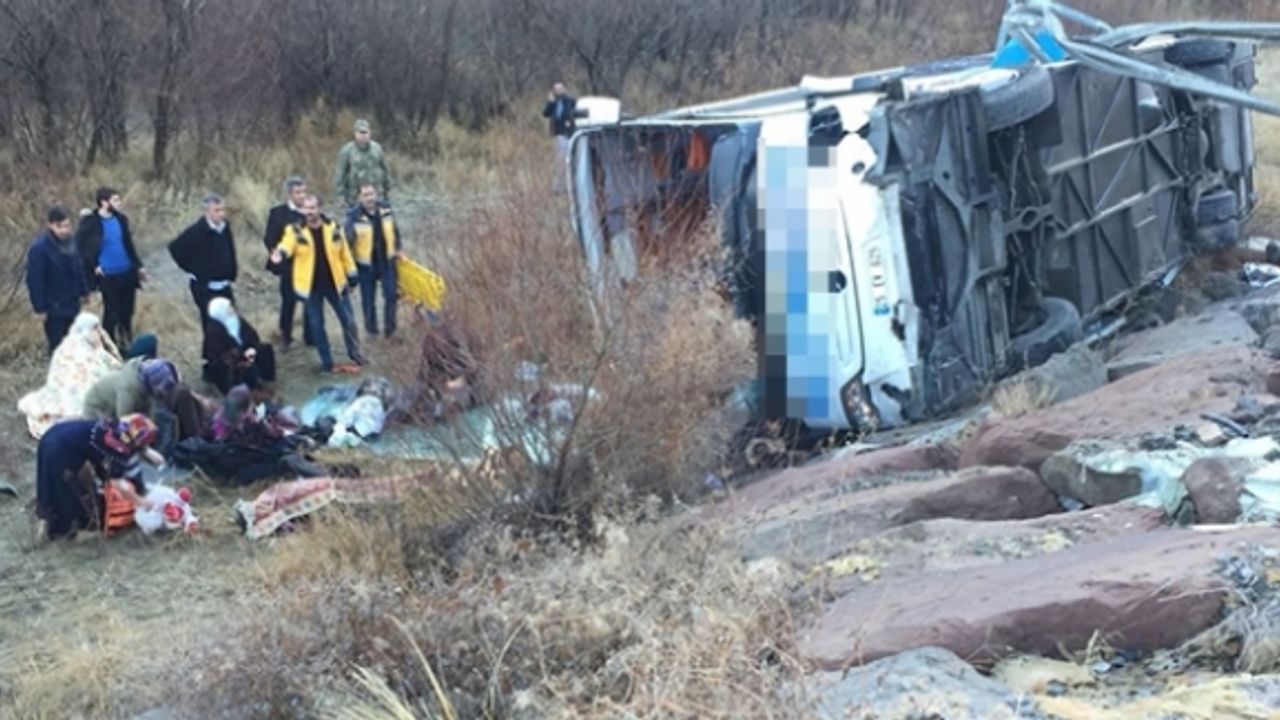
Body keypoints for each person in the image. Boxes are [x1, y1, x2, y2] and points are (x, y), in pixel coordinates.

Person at [270, 195, 366, 373]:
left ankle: (356, 354)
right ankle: (327, 362)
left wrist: (352, 277)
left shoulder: (334, 228)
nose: (310, 212)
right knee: (317, 326)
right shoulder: (295, 231)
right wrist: (280, 254)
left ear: (319, 208)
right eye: (306, 209)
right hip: (310, 288)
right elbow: (287, 245)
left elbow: (345, 254)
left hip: (335, 284)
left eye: (313, 208)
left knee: (349, 321)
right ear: (302, 210)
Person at [35, 414, 163, 540]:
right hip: (59, 448)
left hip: (54, 434)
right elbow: (117, 483)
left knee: (54, 480)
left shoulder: (118, 428)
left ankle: (49, 515)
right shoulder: (117, 447)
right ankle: (64, 530)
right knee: (63, 488)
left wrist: (148, 452)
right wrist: (141, 501)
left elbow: (133, 439)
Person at [18, 313, 123, 438]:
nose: (99, 333)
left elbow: (112, 365)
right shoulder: (72, 349)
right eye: (95, 329)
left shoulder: (90, 348)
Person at [76, 187, 146, 347]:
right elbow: (80, 248)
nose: (119, 203)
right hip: (108, 275)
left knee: (127, 312)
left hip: (127, 272)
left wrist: (139, 266)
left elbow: (129, 244)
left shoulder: (121, 219)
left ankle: (126, 344)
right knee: (111, 314)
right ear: (104, 203)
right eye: (115, 200)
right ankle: (109, 346)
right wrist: (93, 266)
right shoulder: (91, 222)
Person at [169, 194, 237, 334]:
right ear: (206, 212)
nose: (221, 214)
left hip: (224, 283)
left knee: (230, 319)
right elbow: (175, 248)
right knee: (212, 323)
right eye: (216, 210)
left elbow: (230, 250)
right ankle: (212, 354)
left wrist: (232, 270)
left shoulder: (225, 228)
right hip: (205, 287)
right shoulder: (197, 231)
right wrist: (194, 269)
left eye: (222, 210)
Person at [344, 183, 404, 339]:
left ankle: (390, 331)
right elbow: (347, 242)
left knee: (392, 296)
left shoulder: (386, 210)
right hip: (366, 265)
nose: (369, 198)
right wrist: (347, 267)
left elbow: (395, 231)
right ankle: (371, 331)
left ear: (376, 194)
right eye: (365, 195)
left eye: (371, 194)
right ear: (359, 197)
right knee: (368, 300)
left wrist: (398, 248)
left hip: (387, 261)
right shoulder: (353, 216)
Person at [27, 207, 90, 354]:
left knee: (75, 343)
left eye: (67, 226)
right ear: (50, 225)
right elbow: (35, 280)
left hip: (72, 302)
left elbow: (78, 269)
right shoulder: (40, 249)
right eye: (59, 226)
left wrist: (84, 291)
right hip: (53, 306)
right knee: (57, 347)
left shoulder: (71, 243)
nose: (64, 230)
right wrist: (40, 308)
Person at [263, 176, 313, 350]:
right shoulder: (278, 213)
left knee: (310, 301)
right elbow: (270, 239)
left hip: (308, 265)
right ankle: (286, 337)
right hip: (288, 266)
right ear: (290, 194)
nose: (302, 196)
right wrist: (279, 256)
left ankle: (310, 336)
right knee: (288, 302)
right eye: (298, 192)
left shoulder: (310, 212)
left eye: (304, 192)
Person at [203, 296, 277, 395]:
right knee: (244, 367)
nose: (232, 308)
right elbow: (218, 355)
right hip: (228, 362)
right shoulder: (213, 330)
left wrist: (247, 347)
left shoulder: (236, 319)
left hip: (244, 351)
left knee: (265, 349)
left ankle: (266, 380)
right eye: (228, 307)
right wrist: (239, 355)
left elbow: (252, 335)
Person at [83, 356, 178, 420]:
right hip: (97, 409)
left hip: (114, 412)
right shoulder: (127, 389)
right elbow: (124, 423)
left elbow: (148, 420)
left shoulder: (146, 388)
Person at [334, 119, 391, 208]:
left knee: (383, 220)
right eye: (361, 132)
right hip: (355, 197)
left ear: (370, 133)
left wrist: (387, 189)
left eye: (365, 132)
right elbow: (340, 174)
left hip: (377, 195)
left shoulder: (377, 148)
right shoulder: (347, 151)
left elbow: (385, 169)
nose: (363, 135)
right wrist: (340, 196)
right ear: (355, 133)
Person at [542, 82, 577, 194]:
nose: (559, 91)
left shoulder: (570, 101)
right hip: (559, 133)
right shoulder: (553, 103)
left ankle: (570, 186)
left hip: (570, 132)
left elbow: (575, 114)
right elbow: (545, 114)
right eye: (556, 89)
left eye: (560, 89)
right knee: (560, 160)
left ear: (564, 89)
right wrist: (550, 102)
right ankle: (558, 187)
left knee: (571, 159)